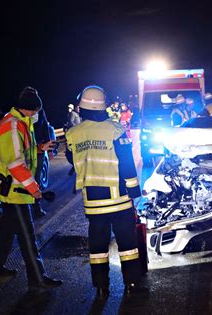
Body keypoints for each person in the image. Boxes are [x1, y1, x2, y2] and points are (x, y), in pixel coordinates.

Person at [65, 86, 144, 299]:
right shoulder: (115, 130)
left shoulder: (73, 134)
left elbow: (72, 160)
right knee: (127, 246)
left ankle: (101, 288)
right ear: (103, 106)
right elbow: (127, 164)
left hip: (92, 201)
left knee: (97, 248)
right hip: (118, 199)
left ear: (82, 107)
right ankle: (132, 284)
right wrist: (134, 191)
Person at [0, 86, 62, 291]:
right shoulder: (12, 127)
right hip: (14, 191)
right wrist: (34, 189)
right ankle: (37, 278)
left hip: (14, 189)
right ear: (27, 109)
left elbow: (22, 151)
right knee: (28, 237)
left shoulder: (21, 123)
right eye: (35, 111)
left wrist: (40, 148)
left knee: (6, 232)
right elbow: (16, 163)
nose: (36, 114)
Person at [31, 108, 53, 218]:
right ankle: (35, 207)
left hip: (38, 150)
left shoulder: (38, 112)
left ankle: (35, 207)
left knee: (35, 179)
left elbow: (46, 129)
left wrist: (48, 149)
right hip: (33, 150)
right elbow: (46, 130)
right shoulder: (36, 112)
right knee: (35, 179)